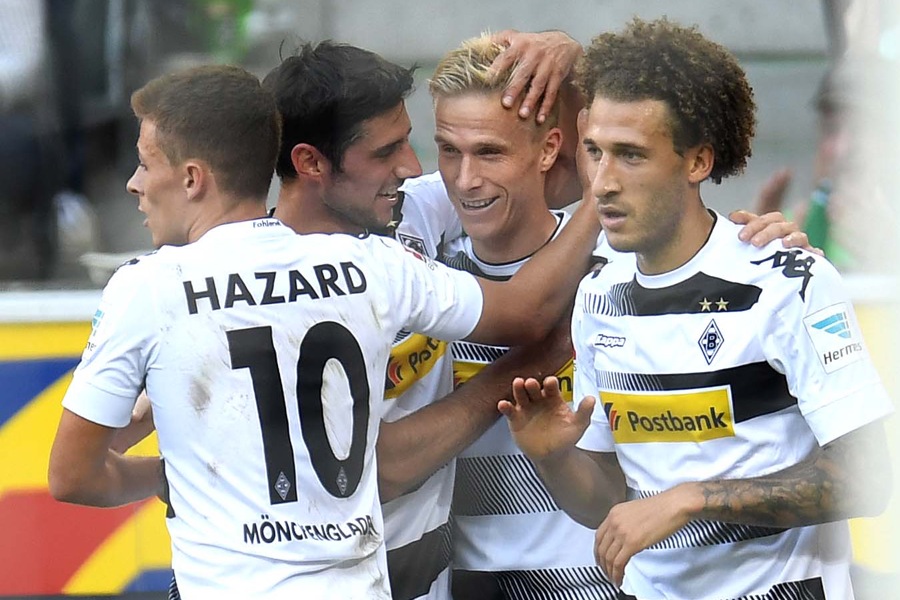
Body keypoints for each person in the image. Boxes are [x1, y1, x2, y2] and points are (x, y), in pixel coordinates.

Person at [46, 64, 597, 598]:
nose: (414, 167)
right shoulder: (372, 265)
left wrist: (178, 474)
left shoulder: (151, 288)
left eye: (145, 164)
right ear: (307, 162)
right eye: (387, 151)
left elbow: (74, 474)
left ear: (193, 178)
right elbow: (528, 309)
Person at [499, 17, 893, 600]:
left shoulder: (786, 279)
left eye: (630, 155)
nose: (603, 183)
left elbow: (869, 480)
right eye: (595, 152)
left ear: (698, 162)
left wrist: (690, 501)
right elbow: (611, 503)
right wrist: (555, 459)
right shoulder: (599, 291)